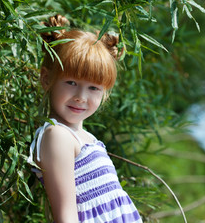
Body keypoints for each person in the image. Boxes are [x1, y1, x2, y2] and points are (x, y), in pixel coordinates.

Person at [27, 14, 142, 223]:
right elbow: (66, 217)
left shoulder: (87, 139)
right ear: (46, 79)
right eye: (71, 82)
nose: (81, 96)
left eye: (93, 88)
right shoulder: (57, 136)